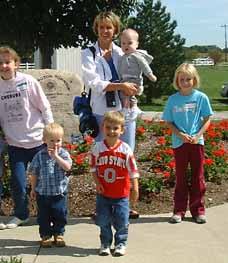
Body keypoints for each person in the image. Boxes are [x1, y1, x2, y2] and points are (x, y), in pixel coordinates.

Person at [0, 46, 54, 229]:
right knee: (18, 183)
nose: (4, 66)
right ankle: (21, 214)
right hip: (15, 144)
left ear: (16, 64)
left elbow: (44, 107)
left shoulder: (28, 81)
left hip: (38, 141)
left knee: (44, 182)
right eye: (0, 62)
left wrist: (50, 131)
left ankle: (47, 215)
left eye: (8, 62)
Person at [162, 63, 213, 224]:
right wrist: (180, 134)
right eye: (182, 79)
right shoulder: (173, 100)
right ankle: (179, 210)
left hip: (197, 143)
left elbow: (207, 119)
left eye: (188, 79)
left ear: (194, 80)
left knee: (198, 176)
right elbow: (168, 122)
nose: (185, 82)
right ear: (177, 81)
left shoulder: (201, 98)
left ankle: (198, 210)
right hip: (180, 143)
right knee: (181, 177)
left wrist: (198, 135)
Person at [81, 11, 138, 151]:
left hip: (125, 109)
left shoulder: (123, 52)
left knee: (126, 150)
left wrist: (131, 90)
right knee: (102, 152)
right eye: (101, 27)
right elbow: (94, 83)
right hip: (102, 111)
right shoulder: (88, 54)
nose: (105, 31)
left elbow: (134, 75)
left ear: (115, 30)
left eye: (109, 27)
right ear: (96, 29)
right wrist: (121, 86)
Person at [90, 111, 139, 256]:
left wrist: (135, 188)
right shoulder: (97, 148)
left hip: (121, 194)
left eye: (115, 128)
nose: (111, 131)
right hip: (103, 193)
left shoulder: (125, 149)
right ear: (102, 128)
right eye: (108, 127)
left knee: (122, 221)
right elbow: (93, 168)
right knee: (103, 220)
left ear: (122, 130)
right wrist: (97, 182)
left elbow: (133, 171)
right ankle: (105, 243)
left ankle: (120, 243)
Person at [28, 123, 72, 247]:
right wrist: (33, 188)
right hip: (43, 193)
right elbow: (34, 173)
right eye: (51, 140)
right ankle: (45, 235)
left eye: (58, 140)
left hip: (59, 193)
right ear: (44, 140)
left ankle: (59, 234)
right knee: (43, 216)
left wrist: (56, 157)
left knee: (60, 214)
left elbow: (68, 167)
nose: (55, 143)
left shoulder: (63, 154)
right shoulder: (40, 155)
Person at [118, 28, 157, 120]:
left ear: (137, 44)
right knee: (124, 94)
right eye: (123, 43)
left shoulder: (137, 56)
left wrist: (150, 74)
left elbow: (144, 66)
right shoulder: (122, 57)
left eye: (129, 43)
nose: (126, 46)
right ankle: (130, 108)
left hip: (135, 80)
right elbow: (119, 69)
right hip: (124, 81)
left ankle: (129, 108)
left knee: (128, 94)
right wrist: (119, 80)